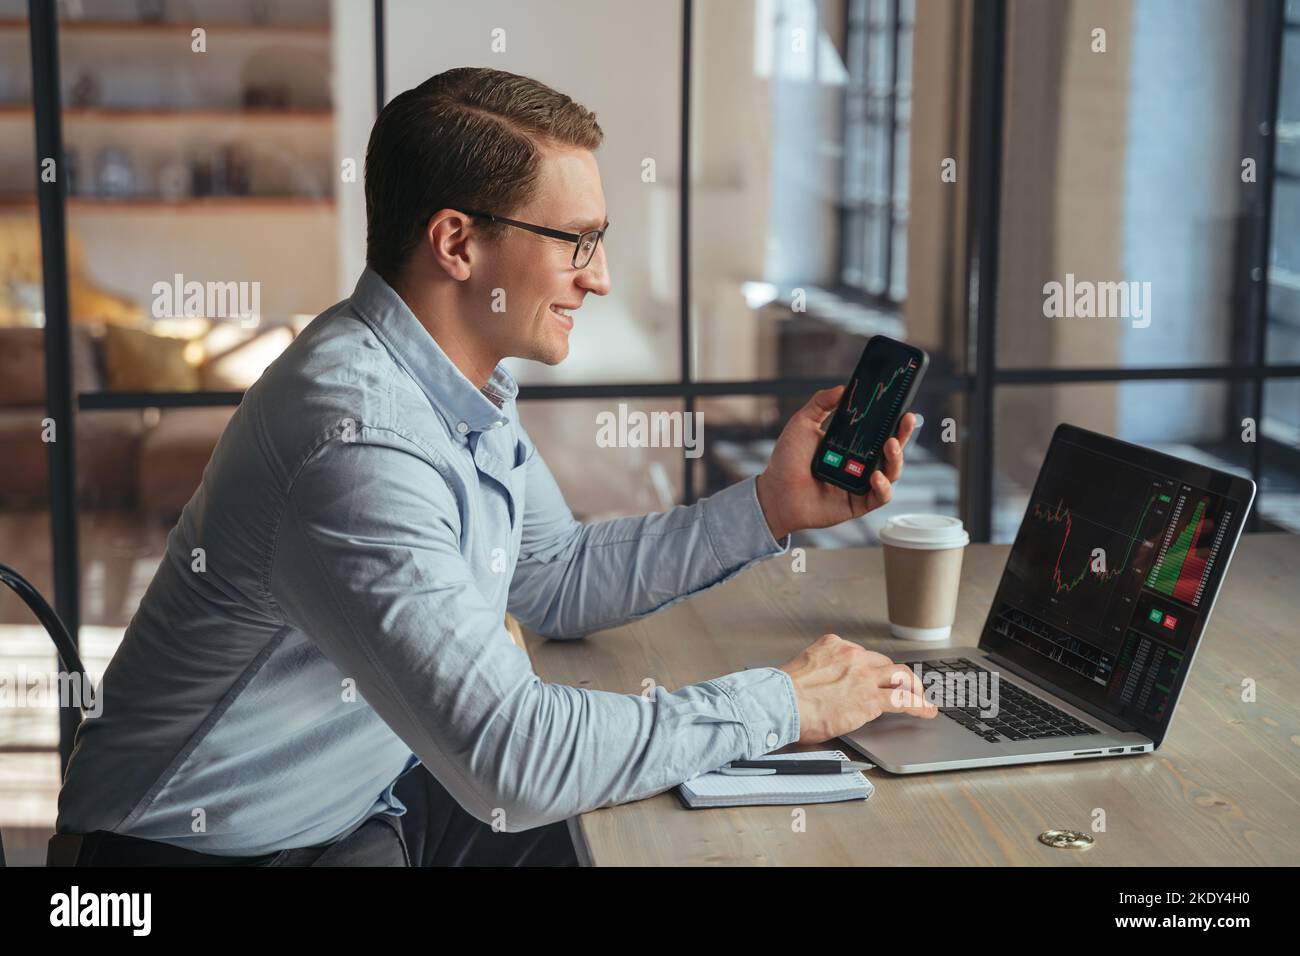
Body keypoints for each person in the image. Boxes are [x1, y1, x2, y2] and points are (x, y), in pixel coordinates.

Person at [52, 67, 936, 867]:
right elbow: (515, 758)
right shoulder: (359, 439)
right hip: (198, 857)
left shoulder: (457, 384)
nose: (601, 279)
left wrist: (770, 507)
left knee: (662, 826)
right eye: (576, 241)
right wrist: (787, 702)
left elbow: (553, 575)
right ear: (456, 243)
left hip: (362, 802)